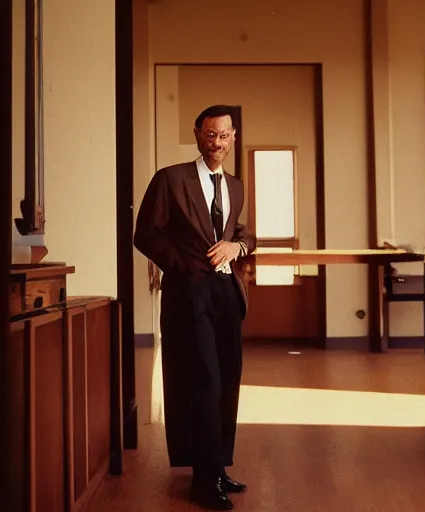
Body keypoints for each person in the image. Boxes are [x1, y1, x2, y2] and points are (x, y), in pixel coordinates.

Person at [134, 104, 256, 510]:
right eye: (209, 135)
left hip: (226, 293)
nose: (217, 143)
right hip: (189, 293)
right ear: (197, 135)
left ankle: (218, 467)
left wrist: (237, 246)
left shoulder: (236, 186)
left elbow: (241, 232)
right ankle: (204, 482)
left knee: (227, 382)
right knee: (203, 382)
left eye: (224, 136)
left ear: (233, 137)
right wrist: (185, 266)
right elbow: (145, 234)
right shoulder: (171, 179)